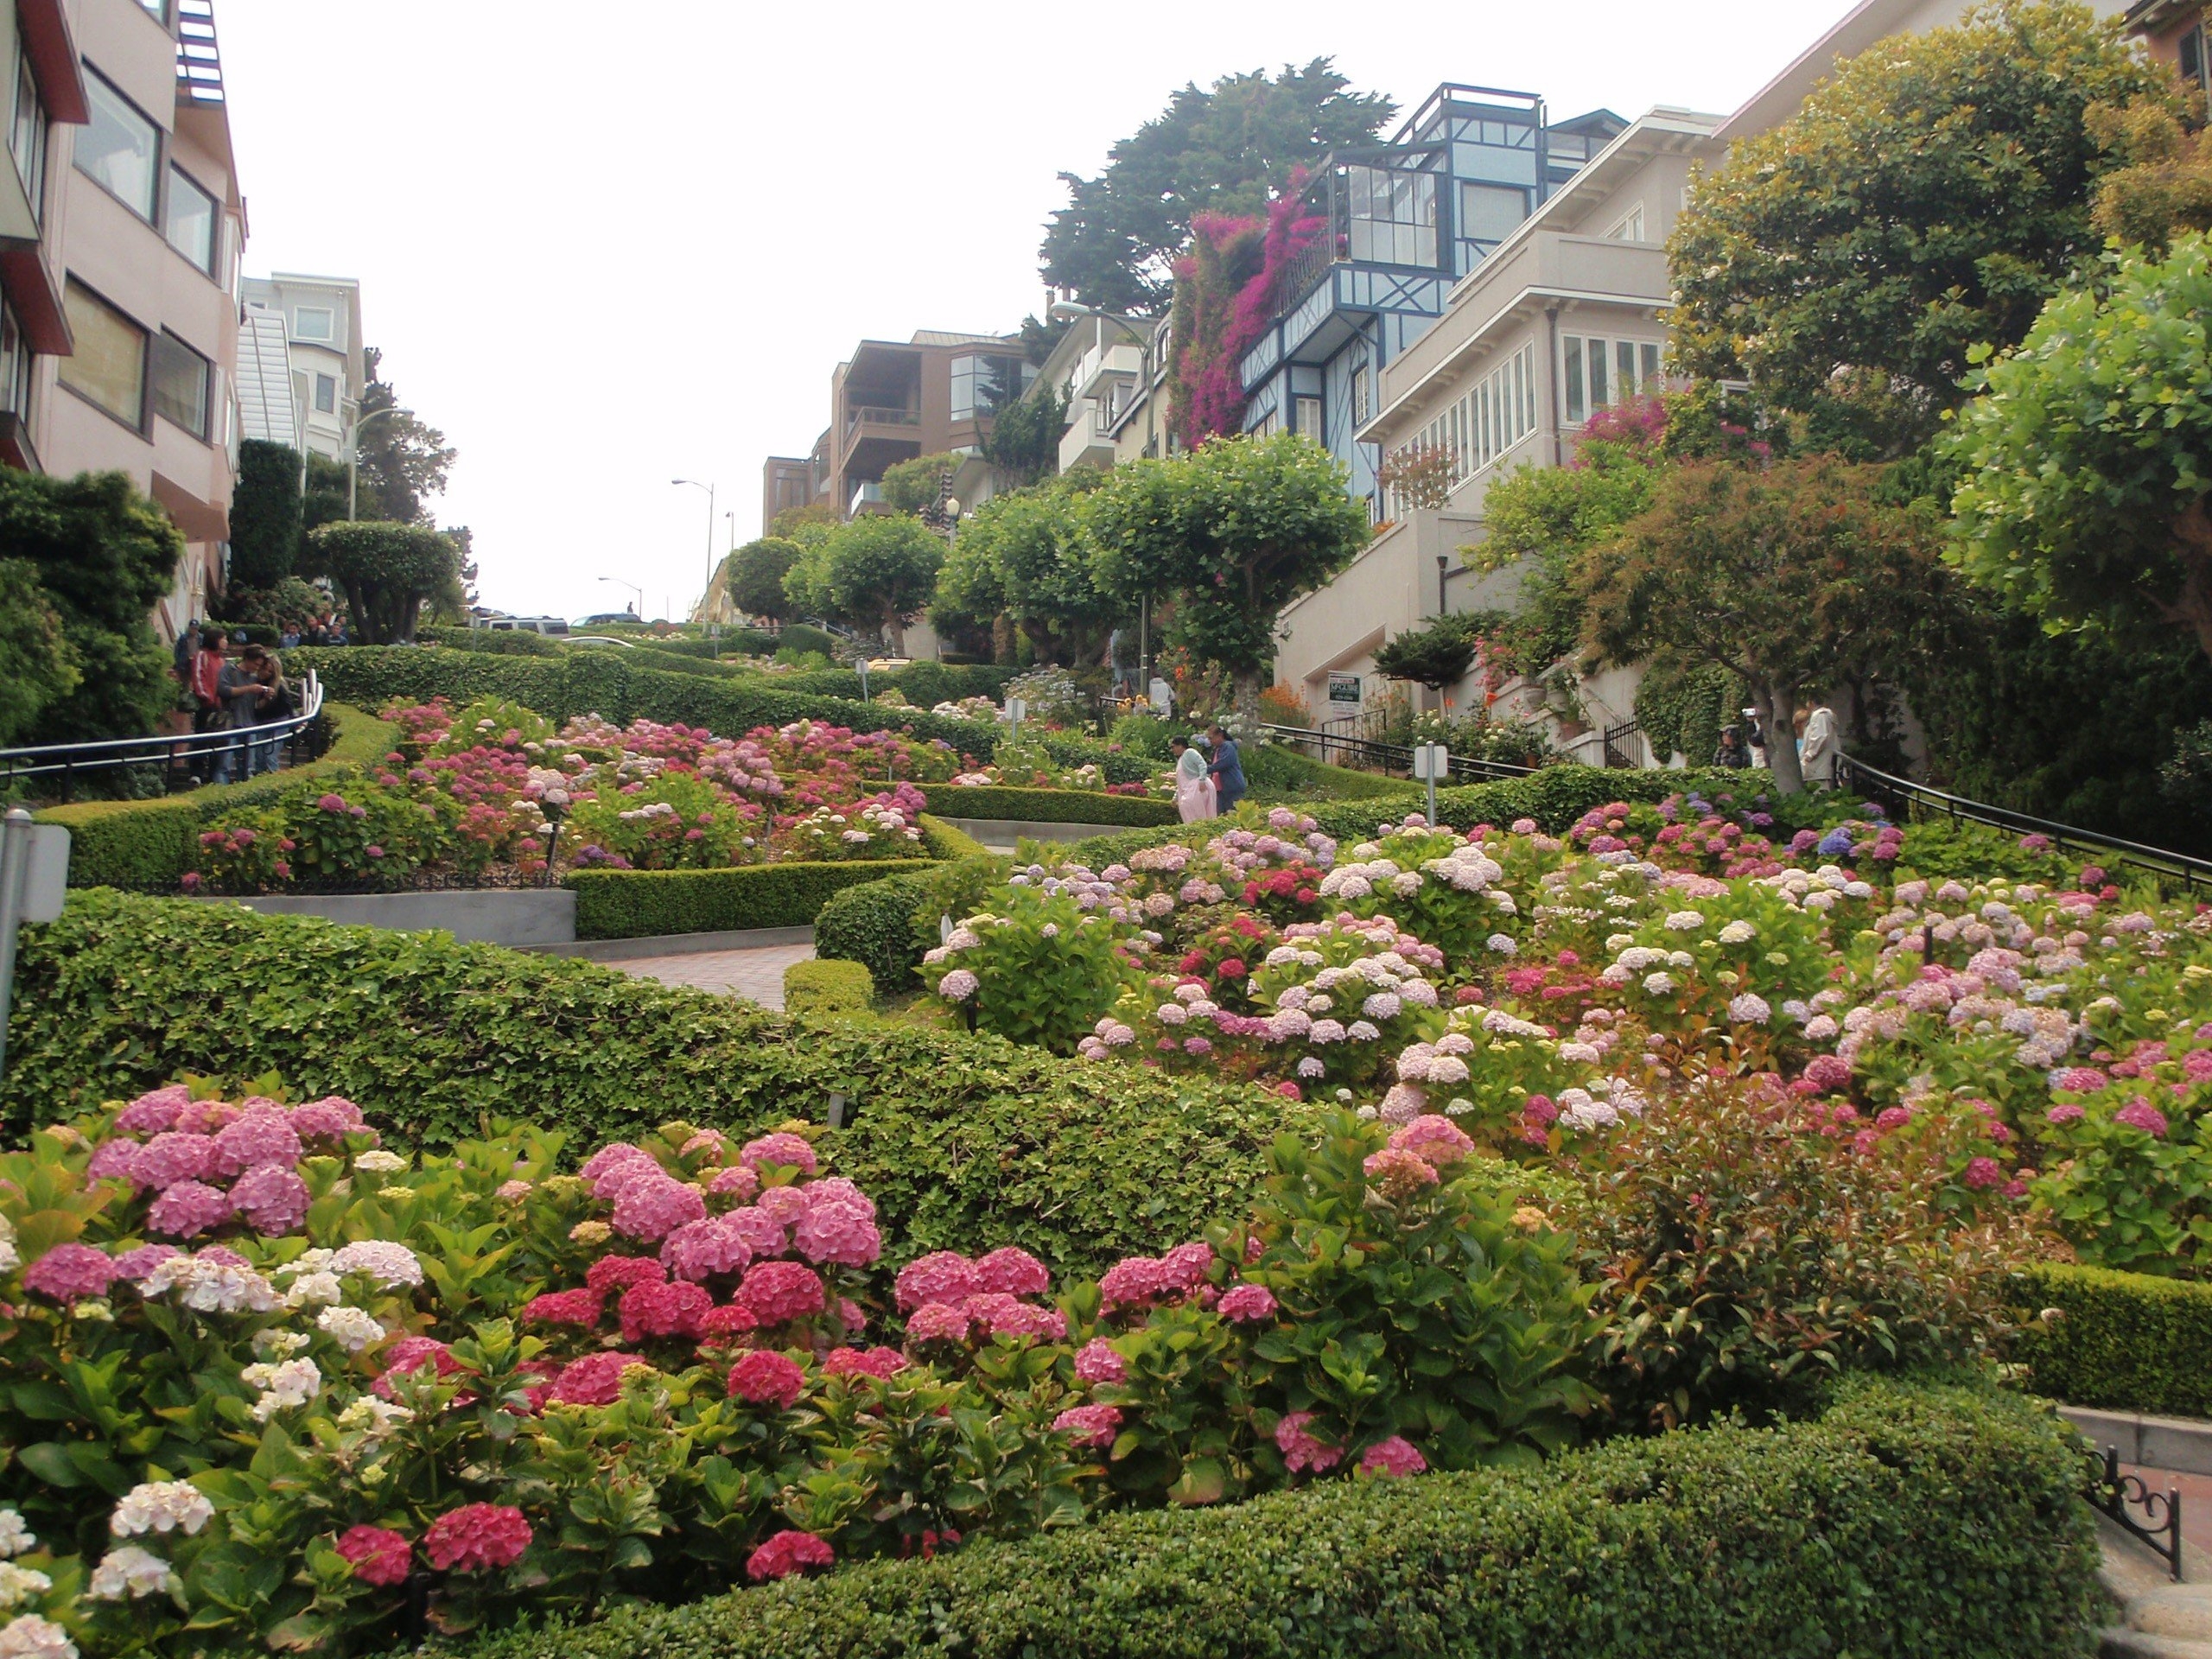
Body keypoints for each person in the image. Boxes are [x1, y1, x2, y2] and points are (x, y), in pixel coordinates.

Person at [249, 647, 293, 775]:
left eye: (270, 672)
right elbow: (254, 706)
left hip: (279, 721)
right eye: (265, 669)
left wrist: (293, 721)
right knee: (259, 755)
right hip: (262, 721)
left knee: (270, 755)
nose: (266, 673)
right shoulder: (253, 681)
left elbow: (287, 704)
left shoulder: (278, 684)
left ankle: (273, 778)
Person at [1171, 735, 1217, 823]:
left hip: (1197, 788)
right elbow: (1182, 782)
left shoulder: (1189, 752)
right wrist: (1175, 797)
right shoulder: (1181, 759)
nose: (1172, 750)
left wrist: (1202, 780)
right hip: (1191, 789)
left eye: (1173, 747)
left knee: (1195, 813)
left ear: (1180, 746)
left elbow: (1202, 764)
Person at [1205, 722, 1246, 815]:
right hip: (1220, 789)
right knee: (1220, 814)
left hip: (1231, 787)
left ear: (1220, 735)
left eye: (1211, 738)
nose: (1209, 741)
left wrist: (1205, 769)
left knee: (1232, 814)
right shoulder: (1217, 749)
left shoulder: (1228, 747)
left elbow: (1224, 763)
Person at [1798, 703, 1838, 789]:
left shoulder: (1820, 716)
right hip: (1819, 769)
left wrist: (1809, 756)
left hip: (1819, 770)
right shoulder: (1821, 716)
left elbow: (1820, 737)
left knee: (1821, 793)